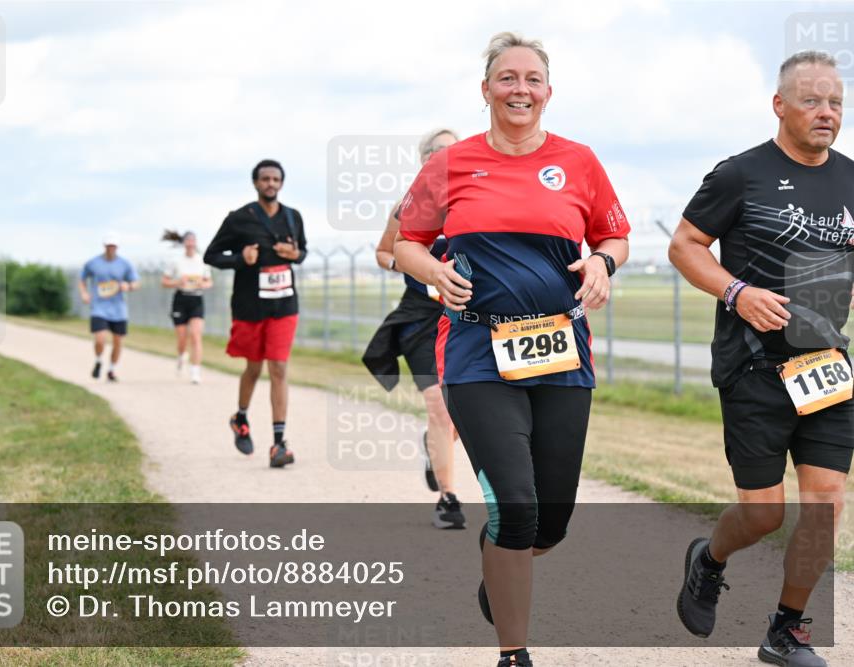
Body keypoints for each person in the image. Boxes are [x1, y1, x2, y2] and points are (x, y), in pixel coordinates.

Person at [394, 33, 630, 667]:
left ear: (548, 92)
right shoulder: (449, 165)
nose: (519, 89)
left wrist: (604, 263)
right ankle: (513, 653)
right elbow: (407, 241)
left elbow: (614, 233)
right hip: (476, 354)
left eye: (532, 79)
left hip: (561, 354)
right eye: (506, 78)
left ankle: (499, 565)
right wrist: (432, 272)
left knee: (547, 524)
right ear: (485, 89)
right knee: (519, 508)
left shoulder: (578, 161)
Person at [669, 51, 851, 667]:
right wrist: (736, 293)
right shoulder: (740, 174)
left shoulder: (852, 178)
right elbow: (685, 244)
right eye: (812, 100)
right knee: (764, 513)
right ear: (780, 105)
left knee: (825, 502)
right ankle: (709, 558)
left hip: (825, 366)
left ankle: (786, 629)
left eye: (835, 102)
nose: (826, 113)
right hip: (754, 366)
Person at [364, 128, 465, 530]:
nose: (445, 156)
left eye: (452, 151)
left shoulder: (474, 202)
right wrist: (411, 266)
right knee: (439, 406)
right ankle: (448, 499)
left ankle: (433, 449)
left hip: (466, 318)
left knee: (460, 412)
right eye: (437, 151)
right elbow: (383, 251)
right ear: (424, 160)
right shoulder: (406, 206)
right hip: (422, 317)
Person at [204, 159, 307, 468]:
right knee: (254, 367)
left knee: (278, 366)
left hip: (284, 304)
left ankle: (278, 444)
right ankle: (241, 417)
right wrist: (240, 258)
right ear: (255, 183)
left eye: (276, 179)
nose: (270, 183)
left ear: (281, 183)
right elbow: (211, 255)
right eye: (265, 179)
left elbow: (301, 251)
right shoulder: (239, 219)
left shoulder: (293, 217)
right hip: (250, 306)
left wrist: (296, 255)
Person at [78, 233, 140, 382]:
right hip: (99, 307)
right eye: (108, 246)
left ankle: (111, 370)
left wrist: (129, 286)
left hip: (118, 309)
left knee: (118, 341)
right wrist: (84, 293)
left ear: (117, 247)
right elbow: (82, 278)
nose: (111, 248)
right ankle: (99, 360)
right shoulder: (93, 263)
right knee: (100, 339)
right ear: (104, 246)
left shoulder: (124, 264)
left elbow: (136, 282)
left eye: (113, 246)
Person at [161, 230, 213, 383]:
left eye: (193, 240)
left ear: (195, 243)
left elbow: (209, 282)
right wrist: (178, 282)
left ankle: (195, 371)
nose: (190, 243)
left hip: (196, 299)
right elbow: (164, 281)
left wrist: (202, 284)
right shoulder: (176, 261)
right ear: (184, 243)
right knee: (182, 337)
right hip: (180, 299)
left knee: (196, 335)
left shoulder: (202, 261)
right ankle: (181, 355)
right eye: (188, 241)